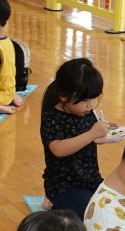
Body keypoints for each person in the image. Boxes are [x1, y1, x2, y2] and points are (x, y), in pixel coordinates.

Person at [41, 58, 117, 219]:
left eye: (95, 98)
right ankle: (55, 205)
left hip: (89, 179)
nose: (91, 105)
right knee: (92, 215)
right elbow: (58, 149)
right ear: (63, 96)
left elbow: (92, 139)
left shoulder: (85, 112)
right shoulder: (52, 116)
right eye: (85, 100)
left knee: (113, 206)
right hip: (63, 186)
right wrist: (91, 134)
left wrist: (105, 133)